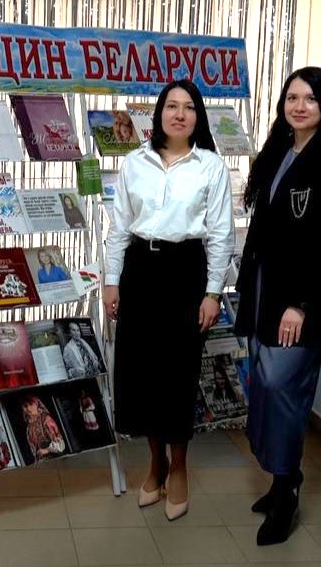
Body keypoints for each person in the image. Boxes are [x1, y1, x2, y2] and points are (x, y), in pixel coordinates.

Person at [233, 67, 321, 546]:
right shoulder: (280, 153)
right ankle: (280, 478)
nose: (299, 106)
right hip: (264, 291)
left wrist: (302, 305)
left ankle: (287, 490)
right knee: (264, 387)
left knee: (282, 386)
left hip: (298, 301)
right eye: (292, 97)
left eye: (310, 98)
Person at [103, 79, 234, 520]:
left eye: (189, 107)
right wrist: (111, 281)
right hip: (140, 269)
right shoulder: (134, 163)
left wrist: (213, 292)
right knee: (142, 372)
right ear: (159, 113)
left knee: (178, 374)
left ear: (198, 116)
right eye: (172, 106)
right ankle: (154, 463)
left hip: (186, 272)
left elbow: (221, 235)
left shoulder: (211, 166)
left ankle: (179, 468)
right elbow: (119, 227)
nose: (180, 114)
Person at [21, 395, 66, 463]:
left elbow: (60, 446)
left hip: (55, 460)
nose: (28, 408)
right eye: (25, 406)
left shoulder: (46, 419)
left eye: (31, 404)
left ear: (37, 404)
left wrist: (47, 450)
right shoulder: (29, 428)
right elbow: (34, 450)